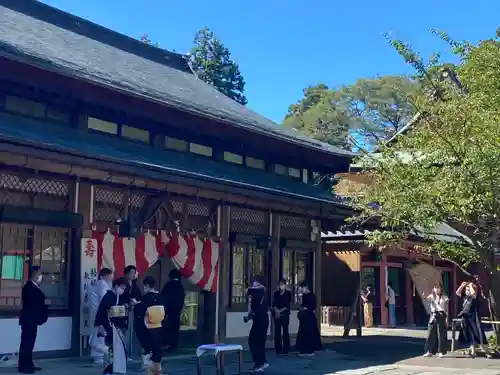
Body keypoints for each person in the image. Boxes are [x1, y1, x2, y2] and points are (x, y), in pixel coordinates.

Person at [94, 278, 129, 375]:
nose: (122, 290)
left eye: (124, 288)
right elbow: (100, 312)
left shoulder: (120, 297)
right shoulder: (108, 296)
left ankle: (115, 369)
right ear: (116, 286)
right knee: (110, 351)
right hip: (109, 327)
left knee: (118, 351)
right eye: (121, 288)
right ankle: (108, 370)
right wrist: (100, 325)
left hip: (118, 327)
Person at [18, 267, 49, 374]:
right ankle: (24, 366)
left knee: (29, 343)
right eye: (40, 274)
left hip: (31, 319)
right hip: (29, 319)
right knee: (27, 343)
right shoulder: (29, 287)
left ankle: (29, 364)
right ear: (35, 275)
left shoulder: (33, 287)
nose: (41, 276)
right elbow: (34, 303)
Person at [134, 276, 165, 374]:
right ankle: (157, 369)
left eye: (144, 286)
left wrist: (136, 305)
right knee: (156, 350)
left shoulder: (145, 299)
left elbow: (139, 312)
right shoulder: (160, 298)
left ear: (147, 286)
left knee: (147, 350)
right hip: (158, 328)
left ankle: (148, 369)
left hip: (146, 328)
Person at [456, 281, 492, 358]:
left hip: (474, 318)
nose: (467, 291)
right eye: (466, 290)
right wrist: (462, 286)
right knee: (469, 335)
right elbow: (457, 292)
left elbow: (473, 294)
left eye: (468, 290)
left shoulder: (474, 297)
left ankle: (487, 352)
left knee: (479, 335)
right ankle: (473, 351)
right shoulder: (464, 298)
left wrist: (471, 286)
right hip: (465, 318)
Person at [245, 275, 270, 372]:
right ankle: (261, 362)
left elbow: (251, 291)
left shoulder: (262, 291)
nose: (254, 284)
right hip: (258, 319)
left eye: (256, 282)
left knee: (256, 341)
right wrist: (248, 317)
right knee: (256, 341)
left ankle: (260, 362)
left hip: (262, 320)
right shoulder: (256, 293)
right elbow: (253, 309)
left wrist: (249, 290)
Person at [90, 268, 114, 364]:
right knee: (100, 335)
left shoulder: (96, 284)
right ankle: (98, 356)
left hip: (95, 312)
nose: (111, 277)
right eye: (110, 275)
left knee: (96, 333)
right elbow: (105, 301)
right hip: (101, 312)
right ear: (105, 276)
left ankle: (96, 354)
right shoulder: (103, 286)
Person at [160, 268, 185, 352]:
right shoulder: (180, 286)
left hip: (167, 310)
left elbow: (163, 297)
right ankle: (174, 344)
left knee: (167, 327)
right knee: (175, 327)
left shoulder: (168, 285)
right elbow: (182, 299)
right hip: (176, 310)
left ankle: (166, 344)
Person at [296, 281, 322, 358]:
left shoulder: (312, 296)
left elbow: (314, 306)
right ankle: (303, 350)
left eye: (302, 288)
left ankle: (310, 350)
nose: (302, 289)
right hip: (304, 318)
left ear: (306, 287)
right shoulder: (303, 296)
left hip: (310, 317)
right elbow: (300, 305)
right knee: (303, 334)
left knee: (310, 334)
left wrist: (306, 308)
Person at [423, 282, 449, 358]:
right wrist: (424, 296)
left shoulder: (445, 297)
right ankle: (429, 351)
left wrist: (447, 319)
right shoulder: (432, 296)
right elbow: (426, 298)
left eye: (438, 288)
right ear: (433, 289)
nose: (437, 289)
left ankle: (441, 351)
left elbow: (446, 310)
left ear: (441, 289)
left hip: (441, 315)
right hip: (433, 315)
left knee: (441, 334)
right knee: (431, 334)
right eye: (435, 288)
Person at [122, 265, 141, 360]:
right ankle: (123, 353)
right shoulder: (122, 282)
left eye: (134, 273)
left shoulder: (134, 283)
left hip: (132, 308)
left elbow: (138, 294)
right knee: (124, 332)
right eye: (131, 273)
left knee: (130, 332)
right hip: (124, 309)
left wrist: (135, 301)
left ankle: (128, 353)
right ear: (126, 273)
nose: (133, 275)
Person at [272, 278, 292, 355]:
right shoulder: (276, 294)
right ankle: (278, 349)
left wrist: (279, 311)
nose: (281, 286)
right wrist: (276, 310)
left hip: (285, 315)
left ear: (285, 285)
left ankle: (286, 348)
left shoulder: (288, 294)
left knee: (285, 332)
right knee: (277, 332)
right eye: (280, 284)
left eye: (282, 284)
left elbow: (287, 305)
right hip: (277, 315)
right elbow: (273, 304)